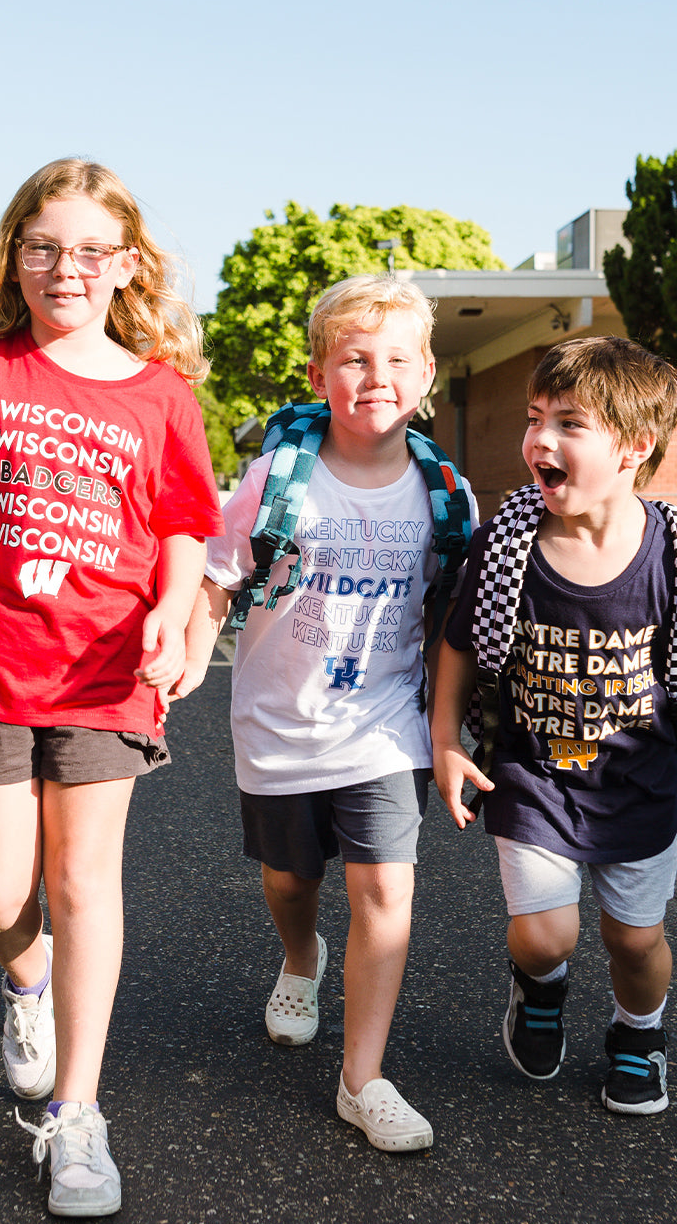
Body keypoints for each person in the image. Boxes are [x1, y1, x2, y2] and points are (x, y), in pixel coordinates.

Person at [0, 158, 223, 1217]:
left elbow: (181, 524)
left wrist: (174, 608)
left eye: (88, 249)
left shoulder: (161, 392)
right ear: (12, 257)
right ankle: (26, 980)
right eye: (42, 246)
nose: (63, 267)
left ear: (125, 265)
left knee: (85, 885)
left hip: (107, 676)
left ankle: (77, 1116)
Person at [180, 275, 476, 1152]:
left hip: (385, 723)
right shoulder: (280, 479)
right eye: (353, 358)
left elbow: (450, 616)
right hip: (279, 724)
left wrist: (450, 730)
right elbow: (215, 576)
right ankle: (300, 959)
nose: (375, 375)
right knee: (291, 880)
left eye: (395, 358)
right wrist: (187, 658)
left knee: (385, 886)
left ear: (426, 372)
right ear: (320, 373)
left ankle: (364, 1079)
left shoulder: (445, 491)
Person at [432, 336, 677, 1115]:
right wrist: (444, 740)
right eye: (536, 418)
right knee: (546, 936)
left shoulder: (670, 551)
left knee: (635, 940)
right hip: (533, 772)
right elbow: (459, 646)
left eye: (571, 424)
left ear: (636, 446)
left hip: (641, 779)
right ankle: (540, 990)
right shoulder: (507, 545)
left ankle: (639, 1034)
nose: (541, 439)